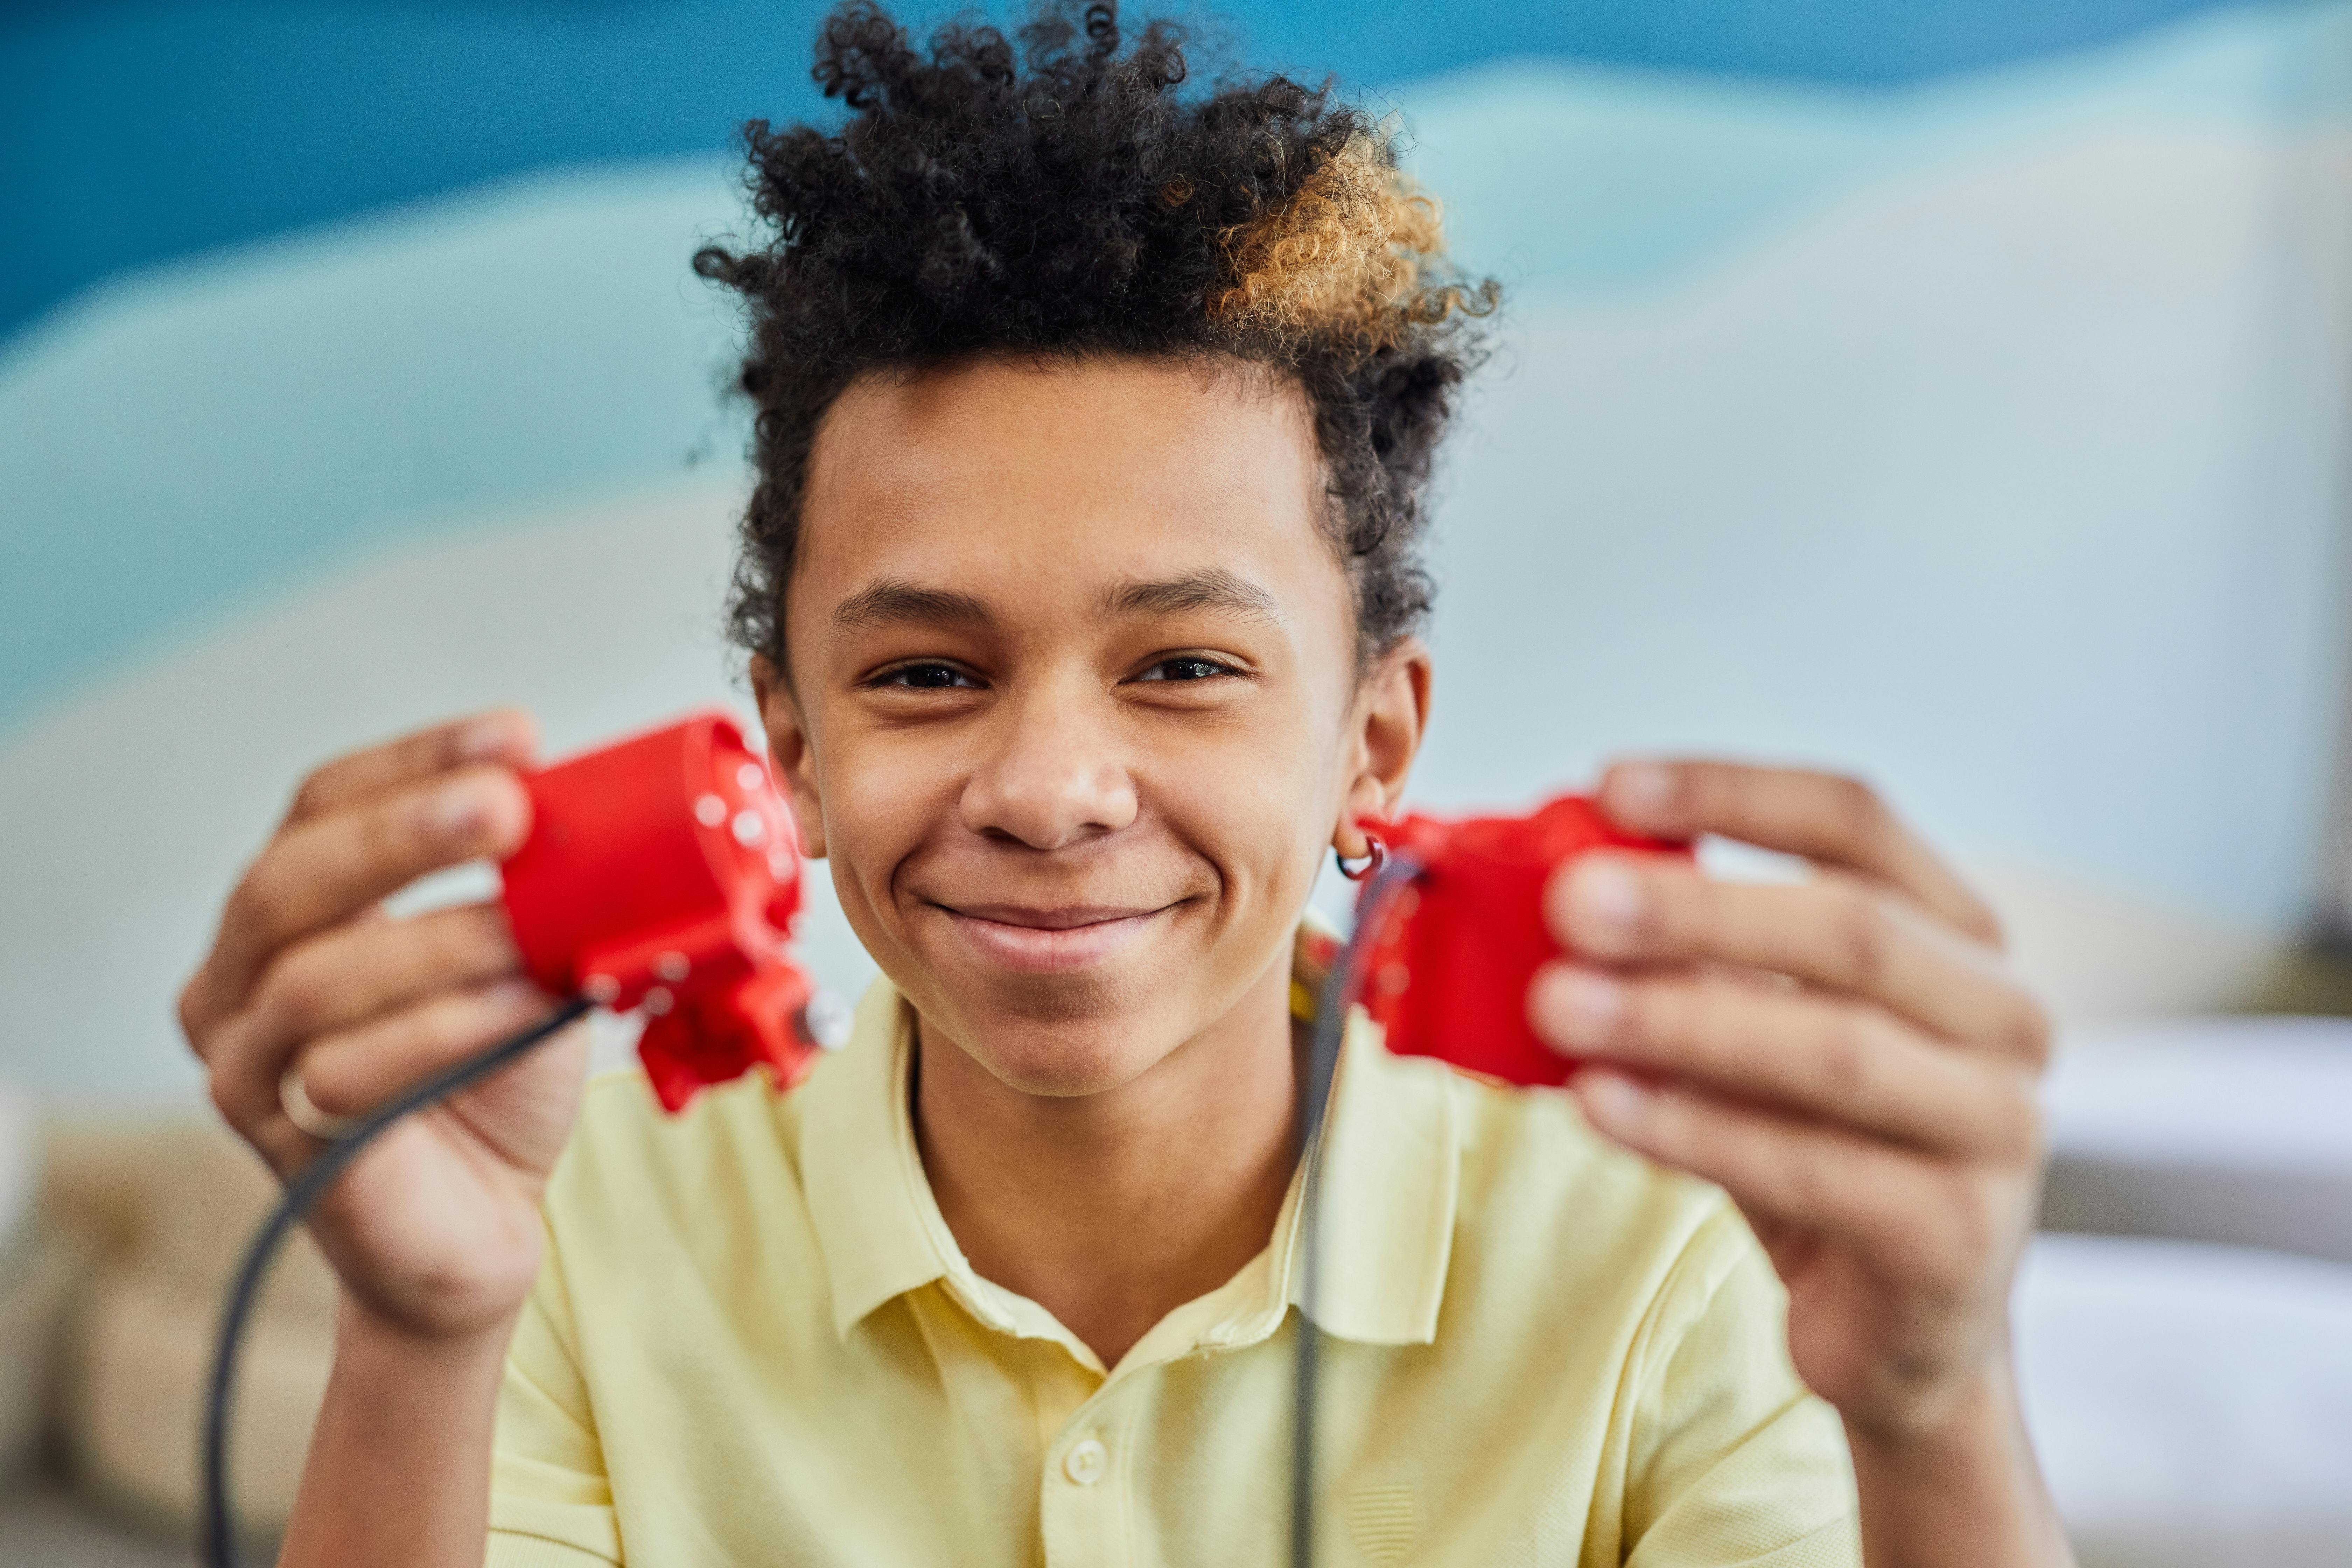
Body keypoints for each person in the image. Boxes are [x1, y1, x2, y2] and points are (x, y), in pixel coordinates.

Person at [178, 4, 2072, 1564]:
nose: (1055, 788)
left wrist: (1934, 1406)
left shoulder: (1664, 1233)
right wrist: (420, 1345)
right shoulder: (578, 1236)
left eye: (1183, 668)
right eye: (926, 674)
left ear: (1374, 745)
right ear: (793, 754)